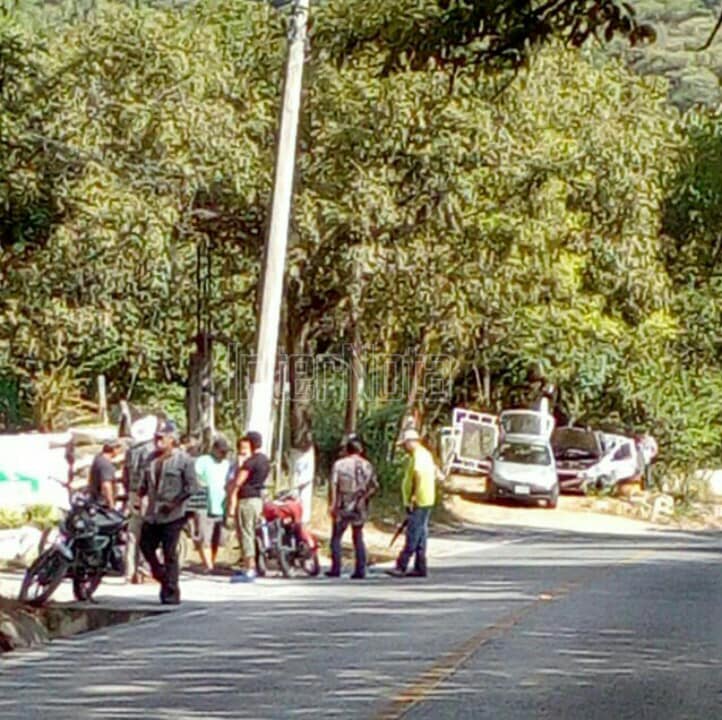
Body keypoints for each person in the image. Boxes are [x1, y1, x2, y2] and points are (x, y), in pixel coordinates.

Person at [138, 420, 198, 604]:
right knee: (145, 546)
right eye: (156, 438)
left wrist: (174, 504)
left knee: (169, 552)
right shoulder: (150, 459)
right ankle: (162, 576)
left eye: (162, 438)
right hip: (153, 513)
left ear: (172, 439)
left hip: (173, 514)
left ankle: (171, 592)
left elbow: (192, 487)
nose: (158, 441)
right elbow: (144, 484)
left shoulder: (184, 460)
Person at [386, 428, 438, 579]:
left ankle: (401, 565)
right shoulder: (423, 454)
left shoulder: (419, 455)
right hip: (425, 499)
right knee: (421, 535)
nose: (404, 448)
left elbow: (418, 475)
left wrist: (413, 496)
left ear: (411, 442)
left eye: (405, 444)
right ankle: (420, 567)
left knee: (413, 534)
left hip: (419, 500)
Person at [326, 436, 379, 580]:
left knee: (336, 537)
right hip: (359, 505)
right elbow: (374, 486)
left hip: (343, 503)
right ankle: (360, 569)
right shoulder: (367, 465)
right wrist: (363, 498)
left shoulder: (339, 465)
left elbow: (334, 485)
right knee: (358, 536)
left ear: (347, 450)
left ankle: (336, 568)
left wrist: (333, 504)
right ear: (360, 450)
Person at [227, 431, 269, 583]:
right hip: (257, 499)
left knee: (245, 534)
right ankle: (249, 566)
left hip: (246, 500)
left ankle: (250, 568)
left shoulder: (250, 462)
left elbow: (238, 482)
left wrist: (231, 501)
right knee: (251, 532)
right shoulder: (264, 460)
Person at [122, 415, 159, 584]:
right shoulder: (151, 450)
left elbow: (125, 475)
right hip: (146, 494)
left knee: (133, 533)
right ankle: (144, 570)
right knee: (148, 532)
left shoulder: (131, 451)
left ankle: (129, 571)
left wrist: (130, 492)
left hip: (132, 493)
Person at [194, 436, 231, 572]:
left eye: (225, 452)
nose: (223, 454)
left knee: (218, 538)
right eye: (221, 451)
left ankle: (212, 562)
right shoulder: (203, 461)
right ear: (214, 449)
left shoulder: (227, 464)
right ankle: (208, 565)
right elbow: (195, 476)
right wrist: (201, 484)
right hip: (205, 503)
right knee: (205, 536)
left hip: (222, 504)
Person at [226, 436, 252, 564]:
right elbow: (230, 482)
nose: (243, 451)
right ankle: (244, 558)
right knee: (241, 531)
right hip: (238, 500)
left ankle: (252, 560)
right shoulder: (234, 464)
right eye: (241, 448)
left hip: (251, 500)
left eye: (246, 448)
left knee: (249, 531)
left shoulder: (254, 462)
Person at [88, 440, 123, 508]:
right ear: (113, 449)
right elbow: (106, 485)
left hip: (95, 500)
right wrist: (111, 505)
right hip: (102, 503)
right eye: (118, 448)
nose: (119, 451)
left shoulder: (98, 458)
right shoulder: (105, 464)